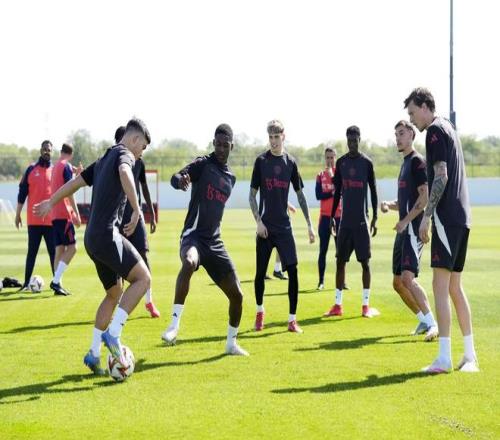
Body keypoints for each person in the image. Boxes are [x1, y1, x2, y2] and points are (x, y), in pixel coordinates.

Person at [34, 118, 152, 374]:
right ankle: (113, 334)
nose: (141, 153)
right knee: (143, 279)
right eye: (142, 147)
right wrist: (136, 209)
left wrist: (51, 202)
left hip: (91, 239)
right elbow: (125, 173)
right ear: (134, 140)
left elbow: (74, 183)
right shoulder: (125, 155)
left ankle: (93, 354)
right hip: (107, 236)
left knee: (114, 293)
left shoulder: (103, 159)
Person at [405, 87, 478, 373]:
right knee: (454, 287)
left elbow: (442, 175)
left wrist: (427, 216)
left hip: (447, 218)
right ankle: (469, 356)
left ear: (425, 106)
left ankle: (445, 357)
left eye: (413, 113)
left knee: (440, 286)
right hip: (463, 217)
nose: (412, 120)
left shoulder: (435, 131)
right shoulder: (448, 126)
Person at [161, 124, 248, 356]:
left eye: (225, 145)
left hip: (214, 242)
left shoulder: (231, 178)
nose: (220, 149)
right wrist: (180, 180)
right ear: (213, 143)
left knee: (237, 295)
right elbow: (175, 177)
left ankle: (231, 344)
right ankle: (173, 326)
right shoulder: (203, 164)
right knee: (189, 262)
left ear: (232, 146)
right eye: (217, 144)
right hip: (194, 236)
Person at [249, 119, 315, 333]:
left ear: (283, 136)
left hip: (284, 228)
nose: (273, 141)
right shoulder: (261, 161)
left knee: (293, 271)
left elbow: (300, 195)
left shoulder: (291, 163)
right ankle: (260, 312)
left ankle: (292, 320)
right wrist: (258, 222)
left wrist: (309, 225)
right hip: (265, 228)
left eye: (277, 137)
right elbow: (252, 195)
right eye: (270, 137)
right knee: (260, 273)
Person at [380, 120, 438, 340]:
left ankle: (433, 324)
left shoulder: (417, 162)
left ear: (412, 135)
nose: (398, 138)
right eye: (396, 134)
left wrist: (405, 221)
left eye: (402, 133)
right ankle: (424, 320)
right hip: (403, 230)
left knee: (407, 278)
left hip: (413, 229)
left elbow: (424, 198)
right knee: (397, 283)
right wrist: (389, 204)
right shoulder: (404, 164)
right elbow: (406, 200)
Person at [323, 126, 379, 318]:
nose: (352, 144)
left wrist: (375, 217)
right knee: (340, 262)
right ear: (346, 140)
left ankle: (365, 306)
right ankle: (338, 305)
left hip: (361, 222)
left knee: (365, 264)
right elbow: (337, 192)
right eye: (350, 140)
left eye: (355, 140)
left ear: (359, 140)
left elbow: (373, 191)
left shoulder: (367, 163)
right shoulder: (341, 163)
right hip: (345, 223)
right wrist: (332, 217)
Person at [115, 126, 160, 318]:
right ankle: (119, 302)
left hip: (137, 214)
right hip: (118, 218)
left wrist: (151, 213)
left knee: (144, 254)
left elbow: (145, 187)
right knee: (117, 260)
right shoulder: (114, 161)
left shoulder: (139, 163)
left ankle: (149, 301)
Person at [16, 140, 55, 291]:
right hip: (34, 221)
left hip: (51, 221)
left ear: (52, 151)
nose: (47, 152)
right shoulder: (31, 169)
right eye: (44, 149)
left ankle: (57, 283)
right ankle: (26, 284)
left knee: (54, 253)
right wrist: (18, 214)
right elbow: (22, 193)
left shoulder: (55, 170)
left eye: (49, 150)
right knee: (31, 253)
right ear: (40, 150)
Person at [49, 143, 82, 296]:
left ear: (61, 152)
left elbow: (66, 178)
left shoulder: (56, 166)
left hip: (54, 213)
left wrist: (75, 172)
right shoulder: (66, 166)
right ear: (71, 154)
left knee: (59, 250)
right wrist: (76, 213)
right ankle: (56, 281)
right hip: (64, 212)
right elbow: (70, 190)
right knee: (73, 248)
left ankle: (58, 284)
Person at [315, 147, 345, 290]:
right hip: (325, 218)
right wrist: (332, 192)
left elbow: (342, 191)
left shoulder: (340, 174)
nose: (329, 160)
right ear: (324, 158)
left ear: (335, 158)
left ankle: (342, 281)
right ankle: (321, 282)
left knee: (340, 252)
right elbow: (318, 195)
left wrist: (333, 178)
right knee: (323, 250)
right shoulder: (320, 175)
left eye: (332, 157)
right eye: (327, 157)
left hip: (338, 217)